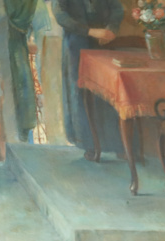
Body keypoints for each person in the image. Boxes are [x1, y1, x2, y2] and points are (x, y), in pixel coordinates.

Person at [52, 0, 126, 157]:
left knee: (108, 93)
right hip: (77, 45)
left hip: (103, 44)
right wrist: (89, 31)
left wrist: (111, 29)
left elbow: (117, 8)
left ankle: (118, 145)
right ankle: (90, 145)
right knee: (81, 94)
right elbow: (61, 16)